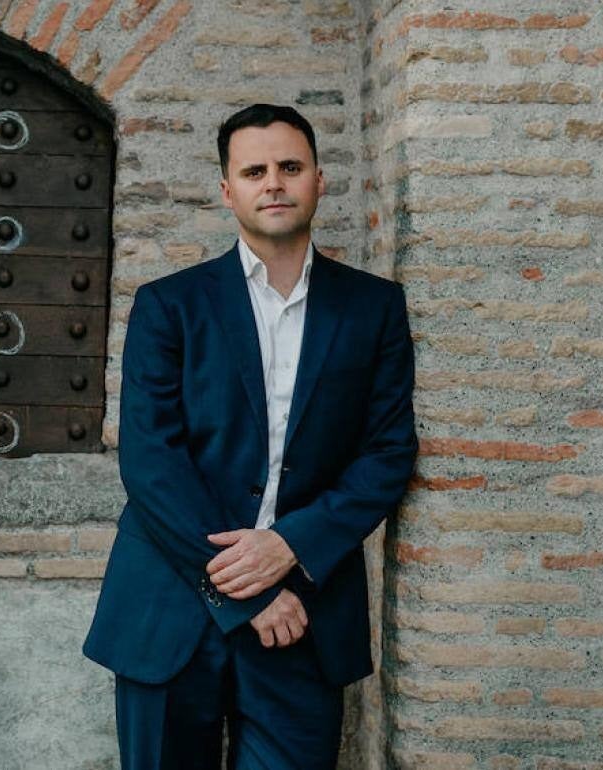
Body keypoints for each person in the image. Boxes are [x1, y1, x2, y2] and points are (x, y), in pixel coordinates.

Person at [82, 103, 418, 769]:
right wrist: (253, 591)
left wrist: (291, 544)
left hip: (304, 616)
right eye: (254, 171)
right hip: (173, 608)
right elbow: (151, 462)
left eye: (290, 167)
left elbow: (386, 453)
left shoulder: (373, 307)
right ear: (227, 190)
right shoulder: (169, 305)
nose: (274, 183)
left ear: (319, 180)